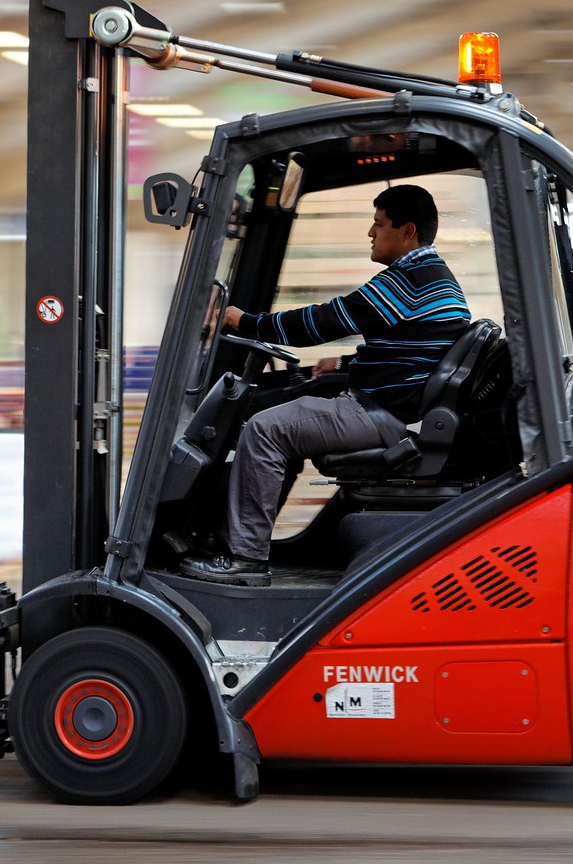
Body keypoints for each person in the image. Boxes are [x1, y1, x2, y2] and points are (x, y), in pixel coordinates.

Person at [179, 184, 470, 586]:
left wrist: (244, 321)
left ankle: (244, 558)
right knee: (282, 423)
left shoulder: (408, 280)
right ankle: (240, 536)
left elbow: (320, 322)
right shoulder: (433, 279)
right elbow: (411, 351)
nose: (371, 232)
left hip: (380, 414)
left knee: (264, 430)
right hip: (388, 407)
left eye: (378, 223)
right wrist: (350, 363)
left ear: (407, 231)